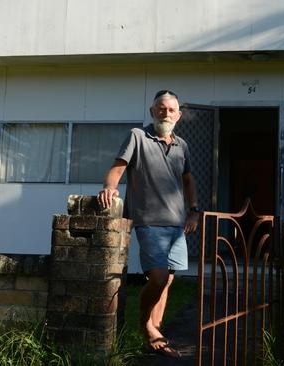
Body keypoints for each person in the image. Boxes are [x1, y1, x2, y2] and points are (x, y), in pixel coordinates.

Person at [97, 90, 199, 358]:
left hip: (177, 224)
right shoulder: (137, 136)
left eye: (171, 109)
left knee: (168, 281)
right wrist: (109, 187)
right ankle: (146, 326)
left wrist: (193, 211)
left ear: (179, 115)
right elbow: (118, 168)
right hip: (148, 221)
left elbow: (188, 181)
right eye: (160, 108)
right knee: (158, 277)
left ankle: (156, 331)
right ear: (152, 111)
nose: (166, 113)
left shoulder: (183, 146)